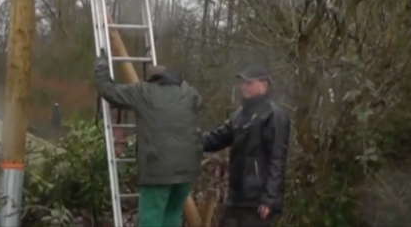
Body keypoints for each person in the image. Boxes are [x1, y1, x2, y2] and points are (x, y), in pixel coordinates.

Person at [94, 49, 204, 227]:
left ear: (152, 79)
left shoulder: (144, 91)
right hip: (188, 169)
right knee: (172, 216)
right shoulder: (189, 91)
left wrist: (101, 69)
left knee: (151, 219)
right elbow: (199, 104)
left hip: (158, 170)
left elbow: (111, 92)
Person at [202, 63, 291, 227]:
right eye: (243, 83)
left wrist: (269, 198)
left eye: (249, 83)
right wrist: (187, 140)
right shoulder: (240, 115)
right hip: (236, 196)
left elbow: (277, 159)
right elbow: (216, 139)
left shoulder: (274, 115)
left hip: (257, 200)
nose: (244, 87)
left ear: (263, 86)